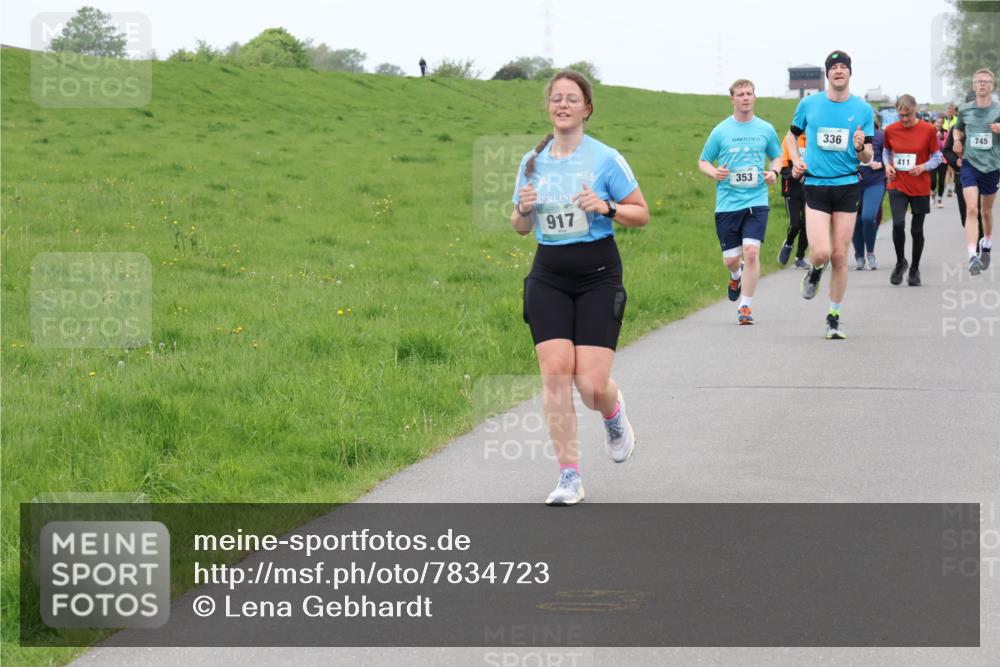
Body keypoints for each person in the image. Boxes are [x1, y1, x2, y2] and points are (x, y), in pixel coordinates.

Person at [511, 70, 649, 506]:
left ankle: (612, 412)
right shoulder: (532, 162)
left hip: (597, 275)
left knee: (590, 384)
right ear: (548, 106)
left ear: (587, 108)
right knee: (555, 373)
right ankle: (569, 476)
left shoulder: (606, 158)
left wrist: (606, 206)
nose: (563, 105)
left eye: (572, 99)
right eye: (557, 99)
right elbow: (519, 227)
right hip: (548, 275)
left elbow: (641, 213)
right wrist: (523, 209)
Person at [786, 50, 874, 339]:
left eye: (843, 67)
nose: (838, 71)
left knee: (839, 255)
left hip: (847, 186)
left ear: (850, 73)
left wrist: (861, 147)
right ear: (828, 74)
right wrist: (797, 159)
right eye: (833, 67)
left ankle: (833, 317)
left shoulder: (862, 109)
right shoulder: (809, 104)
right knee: (821, 252)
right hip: (816, 185)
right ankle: (814, 271)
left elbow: (867, 156)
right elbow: (790, 135)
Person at [698, 78, 783, 325]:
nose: (745, 98)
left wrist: (773, 172)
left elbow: (777, 157)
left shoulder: (765, 129)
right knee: (731, 259)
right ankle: (736, 274)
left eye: (749, 93)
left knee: (753, 251)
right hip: (727, 204)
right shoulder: (721, 131)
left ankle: (745, 306)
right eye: (740, 94)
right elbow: (703, 161)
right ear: (732, 99)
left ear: (754, 97)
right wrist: (714, 172)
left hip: (756, 200)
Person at [882, 94, 943, 287]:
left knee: (917, 230)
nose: (905, 119)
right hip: (897, 184)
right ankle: (901, 262)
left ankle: (915, 269)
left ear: (915, 109)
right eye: (901, 115)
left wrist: (924, 166)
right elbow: (886, 151)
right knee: (898, 224)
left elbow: (937, 156)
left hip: (919, 185)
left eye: (908, 114)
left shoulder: (928, 130)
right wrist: (887, 166)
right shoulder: (890, 130)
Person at [952, 68, 1000, 274]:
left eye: (986, 81)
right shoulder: (964, 109)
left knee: (985, 211)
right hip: (970, 164)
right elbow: (958, 127)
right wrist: (956, 140)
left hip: (992, 165)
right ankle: (972, 255)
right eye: (978, 81)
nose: (982, 84)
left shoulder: (998, 109)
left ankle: (986, 244)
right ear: (973, 85)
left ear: (992, 85)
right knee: (971, 209)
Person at [943, 92, 984, 243]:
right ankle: (977, 245)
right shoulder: (957, 127)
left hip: (984, 176)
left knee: (979, 213)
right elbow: (946, 150)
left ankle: (979, 250)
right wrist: (956, 161)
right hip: (964, 176)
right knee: (966, 216)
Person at [852, 113, 886, 270]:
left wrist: (883, 165)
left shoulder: (880, 136)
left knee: (868, 217)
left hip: (875, 182)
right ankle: (859, 255)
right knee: (854, 220)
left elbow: (890, 156)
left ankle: (870, 253)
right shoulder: (851, 136)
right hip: (853, 183)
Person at [778, 132, 811, 269]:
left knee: (807, 225)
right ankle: (789, 243)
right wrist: (793, 173)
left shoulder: (814, 138)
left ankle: (800, 257)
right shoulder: (789, 140)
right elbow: (782, 166)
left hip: (811, 190)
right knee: (795, 224)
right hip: (792, 190)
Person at [931, 116, 949, 207]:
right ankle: (933, 192)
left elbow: (946, 146)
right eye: (937, 122)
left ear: (943, 124)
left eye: (941, 122)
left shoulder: (946, 133)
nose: (939, 124)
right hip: (933, 160)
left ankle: (939, 200)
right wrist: (935, 137)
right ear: (934, 122)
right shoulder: (930, 132)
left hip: (943, 160)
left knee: (941, 181)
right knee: (933, 180)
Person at [943, 103, 959, 197]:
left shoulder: (957, 121)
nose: (949, 112)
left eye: (951, 110)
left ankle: (953, 186)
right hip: (943, 148)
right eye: (948, 110)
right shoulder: (942, 121)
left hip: (952, 147)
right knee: (947, 170)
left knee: (951, 169)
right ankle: (949, 188)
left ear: (954, 111)